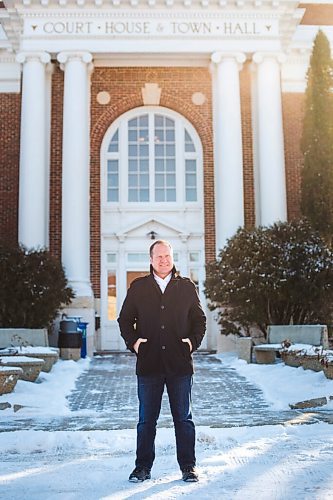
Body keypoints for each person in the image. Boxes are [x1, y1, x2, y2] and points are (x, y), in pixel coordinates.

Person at [117, 239, 206, 483]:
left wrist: (191, 343)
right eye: (159, 257)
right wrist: (135, 344)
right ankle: (142, 467)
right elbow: (125, 320)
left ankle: (188, 467)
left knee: (184, 419)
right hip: (149, 365)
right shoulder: (138, 287)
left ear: (172, 257)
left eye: (167, 256)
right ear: (151, 260)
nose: (164, 260)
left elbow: (200, 320)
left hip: (179, 366)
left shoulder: (186, 287)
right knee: (147, 420)